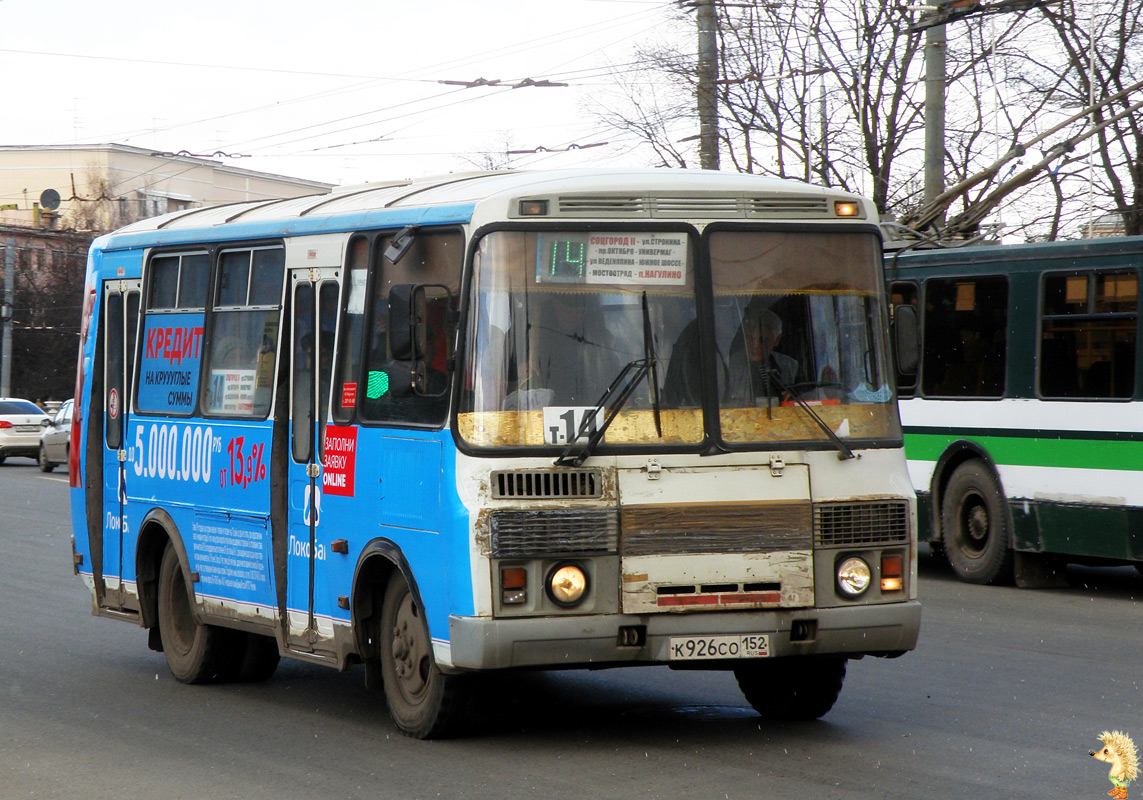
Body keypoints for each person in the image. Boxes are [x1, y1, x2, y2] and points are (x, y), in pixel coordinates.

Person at [725, 304, 799, 404]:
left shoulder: (790, 366)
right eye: (750, 338)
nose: (755, 345)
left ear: (777, 340)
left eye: (762, 340)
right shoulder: (728, 365)